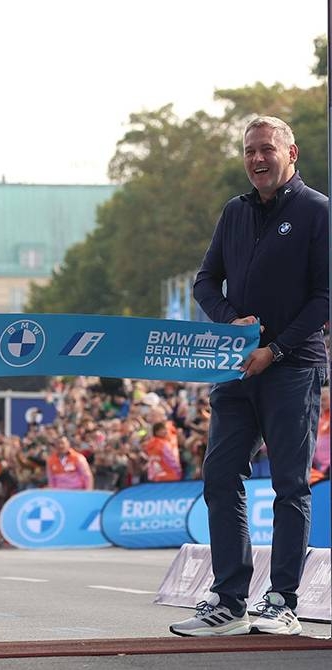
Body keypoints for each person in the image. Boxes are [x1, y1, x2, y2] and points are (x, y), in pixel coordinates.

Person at [170, 117, 329, 638]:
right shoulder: (234, 212)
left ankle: (282, 598)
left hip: (292, 366)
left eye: (266, 150)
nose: (257, 159)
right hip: (234, 367)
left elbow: (325, 298)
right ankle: (228, 596)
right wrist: (229, 324)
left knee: (288, 484)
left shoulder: (316, 211)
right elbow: (204, 280)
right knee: (220, 477)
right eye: (249, 152)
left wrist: (275, 349)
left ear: (291, 153)